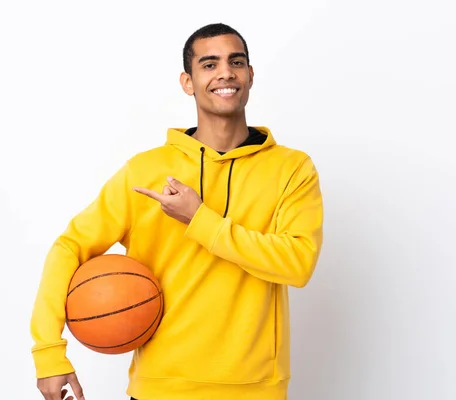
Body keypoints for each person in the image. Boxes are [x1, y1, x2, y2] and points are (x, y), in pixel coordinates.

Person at [30, 22, 324, 400]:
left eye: (236, 62)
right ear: (188, 81)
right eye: (209, 64)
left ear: (250, 75)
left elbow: (297, 265)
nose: (225, 73)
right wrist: (49, 353)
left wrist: (199, 218)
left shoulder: (292, 169)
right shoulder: (146, 171)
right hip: (161, 388)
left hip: (255, 389)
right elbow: (69, 247)